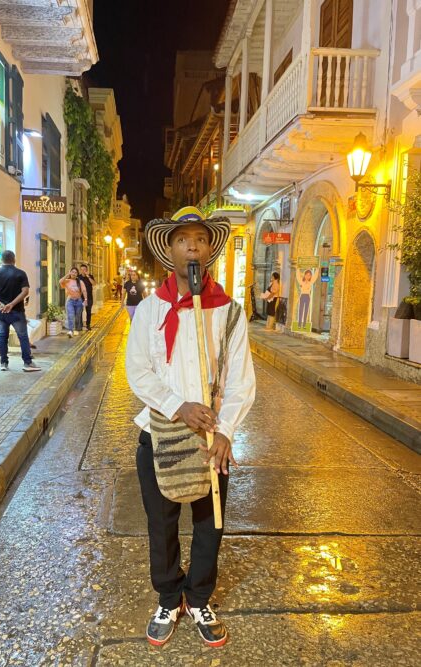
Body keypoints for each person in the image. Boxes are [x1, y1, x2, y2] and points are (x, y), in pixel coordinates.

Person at [126, 206, 256, 648]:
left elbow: (241, 379)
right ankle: (168, 595)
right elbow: (137, 372)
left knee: (209, 521)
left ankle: (199, 597)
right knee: (161, 521)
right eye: (184, 239)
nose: (193, 246)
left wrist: (226, 431)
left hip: (210, 437)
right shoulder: (149, 310)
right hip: (159, 432)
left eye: (200, 238)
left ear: (210, 249)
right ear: (171, 251)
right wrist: (178, 407)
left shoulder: (229, 312)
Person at [0, 250, 41, 372]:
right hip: (17, 311)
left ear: (2, 260)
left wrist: (1, 304)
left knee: (2, 337)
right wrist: (11, 304)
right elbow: (25, 291)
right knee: (23, 337)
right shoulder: (20, 273)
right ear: (14, 259)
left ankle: (3, 363)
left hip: (1, 312)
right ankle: (27, 363)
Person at [60, 267, 87, 337]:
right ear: (70, 272)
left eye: (75, 272)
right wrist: (67, 274)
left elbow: (84, 290)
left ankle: (76, 329)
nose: (74, 273)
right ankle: (70, 331)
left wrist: (86, 299)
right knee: (70, 315)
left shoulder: (80, 282)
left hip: (79, 301)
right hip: (70, 301)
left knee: (77, 317)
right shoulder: (67, 281)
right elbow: (60, 281)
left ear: (77, 274)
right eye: (72, 272)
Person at [79, 263, 96, 331]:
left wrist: (88, 276)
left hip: (89, 297)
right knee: (80, 311)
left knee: (88, 312)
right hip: (80, 297)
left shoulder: (90, 276)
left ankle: (88, 325)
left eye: (84, 270)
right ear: (80, 270)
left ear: (87, 270)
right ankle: (80, 325)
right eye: (82, 270)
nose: (83, 271)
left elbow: (94, 284)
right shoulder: (78, 277)